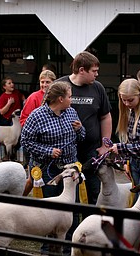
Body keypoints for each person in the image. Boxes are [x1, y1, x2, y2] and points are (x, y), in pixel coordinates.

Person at [21, 81, 85, 255]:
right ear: (60, 98)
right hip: (47, 171)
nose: (72, 99)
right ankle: (47, 249)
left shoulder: (71, 112)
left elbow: (81, 137)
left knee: (72, 210)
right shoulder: (37, 116)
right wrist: (48, 151)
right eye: (70, 96)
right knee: (49, 213)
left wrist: (80, 130)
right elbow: (25, 142)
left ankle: (69, 249)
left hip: (70, 170)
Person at [56, 51, 112, 208]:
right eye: (94, 71)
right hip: (65, 152)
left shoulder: (98, 88)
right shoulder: (60, 86)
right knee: (67, 194)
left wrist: (105, 144)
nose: (97, 74)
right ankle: (70, 230)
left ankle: (90, 228)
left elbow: (105, 116)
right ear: (82, 70)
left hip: (90, 151)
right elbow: (48, 113)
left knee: (93, 192)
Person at [20, 69, 56, 196]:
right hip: (35, 144)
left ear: (54, 82)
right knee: (33, 178)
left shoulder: (57, 97)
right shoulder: (34, 97)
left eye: (48, 82)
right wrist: (38, 130)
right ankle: (18, 200)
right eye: (42, 82)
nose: (45, 85)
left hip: (52, 146)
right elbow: (23, 119)